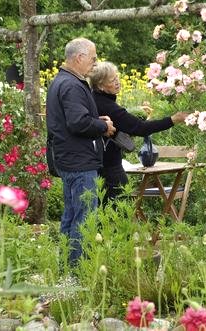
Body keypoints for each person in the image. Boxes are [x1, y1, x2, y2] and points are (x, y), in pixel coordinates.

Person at [46, 38, 116, 266]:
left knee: (71, 215)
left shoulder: (62, 81)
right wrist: (103, 126)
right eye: (93, 59)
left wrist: (96, 120)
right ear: (79, 58)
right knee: (85, 218)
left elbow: (74, 120)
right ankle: (77, 272)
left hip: (69, 159)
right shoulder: (71, 85)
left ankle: (66, 268)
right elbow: (78, 122)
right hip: (79, 162)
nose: (94, 65)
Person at [89, 61, 188, 202]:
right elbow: (142, 128)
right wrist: (174, 119)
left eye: (117, 77)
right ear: (100, 86)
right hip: (109, 168)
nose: (117, 82)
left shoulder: (93, 99)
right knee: (120, 209)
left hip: (96, 166)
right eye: (112, 80)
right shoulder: (108, 107)